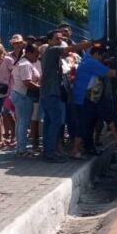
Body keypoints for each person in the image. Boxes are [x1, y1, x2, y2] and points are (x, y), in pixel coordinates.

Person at [40, 30, 90, 163]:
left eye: (61, 39)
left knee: (49, 123)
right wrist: (91, 43)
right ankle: (50, 153)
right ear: (49, 41)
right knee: (55, 122)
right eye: (57, 38)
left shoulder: (51, 53)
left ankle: (48, 152)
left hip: (47, 93)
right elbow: (73, 48)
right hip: (52, 93)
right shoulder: (52, 50)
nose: (60, 41)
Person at [70, 43, 117, 159]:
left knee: (89, 124)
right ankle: (75, 150)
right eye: (102, 57)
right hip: (84, 99)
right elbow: (112, 74)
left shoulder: (87, 58)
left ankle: (89, 148)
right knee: (84, 125)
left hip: (87, 98)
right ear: (96, 54)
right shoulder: (92, 63)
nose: (102, 60)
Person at [10, 43, 41, 157]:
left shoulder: (23, 63)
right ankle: (22, 149)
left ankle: (20, 148)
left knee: (20, 122)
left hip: (20, 95)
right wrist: (41, 88)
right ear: (28, 53)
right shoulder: (25, 65)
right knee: (23, 122)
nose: (37, 57)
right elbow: (27, 82)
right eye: (36, 54)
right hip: (23, 95)